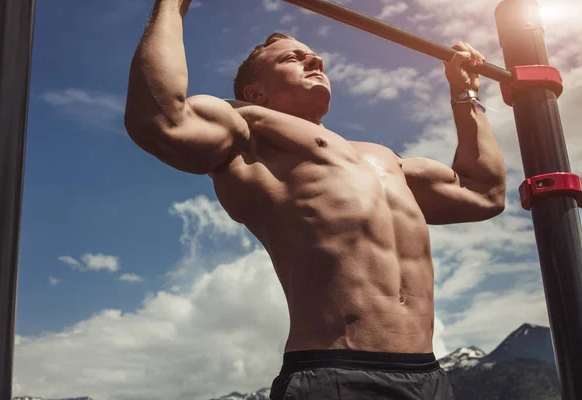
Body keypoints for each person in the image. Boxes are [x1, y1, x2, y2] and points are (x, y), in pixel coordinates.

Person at [124, 0, 506, 399]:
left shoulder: (384, 158)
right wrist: (172, 5)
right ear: (256, 92)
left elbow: (484, 192)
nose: (315, 61)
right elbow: (162, 120)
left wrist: (464, 94)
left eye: (316, 57)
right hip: (336, 374)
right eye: (294, 58)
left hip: (428, 374)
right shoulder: (249, 129)